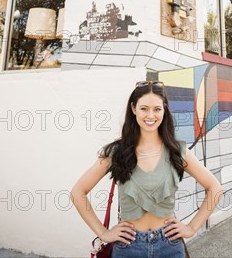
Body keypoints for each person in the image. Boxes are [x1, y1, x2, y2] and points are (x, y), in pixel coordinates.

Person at [70, 80, 223, 257]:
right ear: (133, 109)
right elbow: (78, 192)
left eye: (157, 109)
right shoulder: (116, 152)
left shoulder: (178, 151)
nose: (151, 115)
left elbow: (215, 189)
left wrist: (191, 228)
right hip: (129, 247)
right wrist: (104, 233)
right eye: (144, 108)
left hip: (169, 246)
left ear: (164, 110)